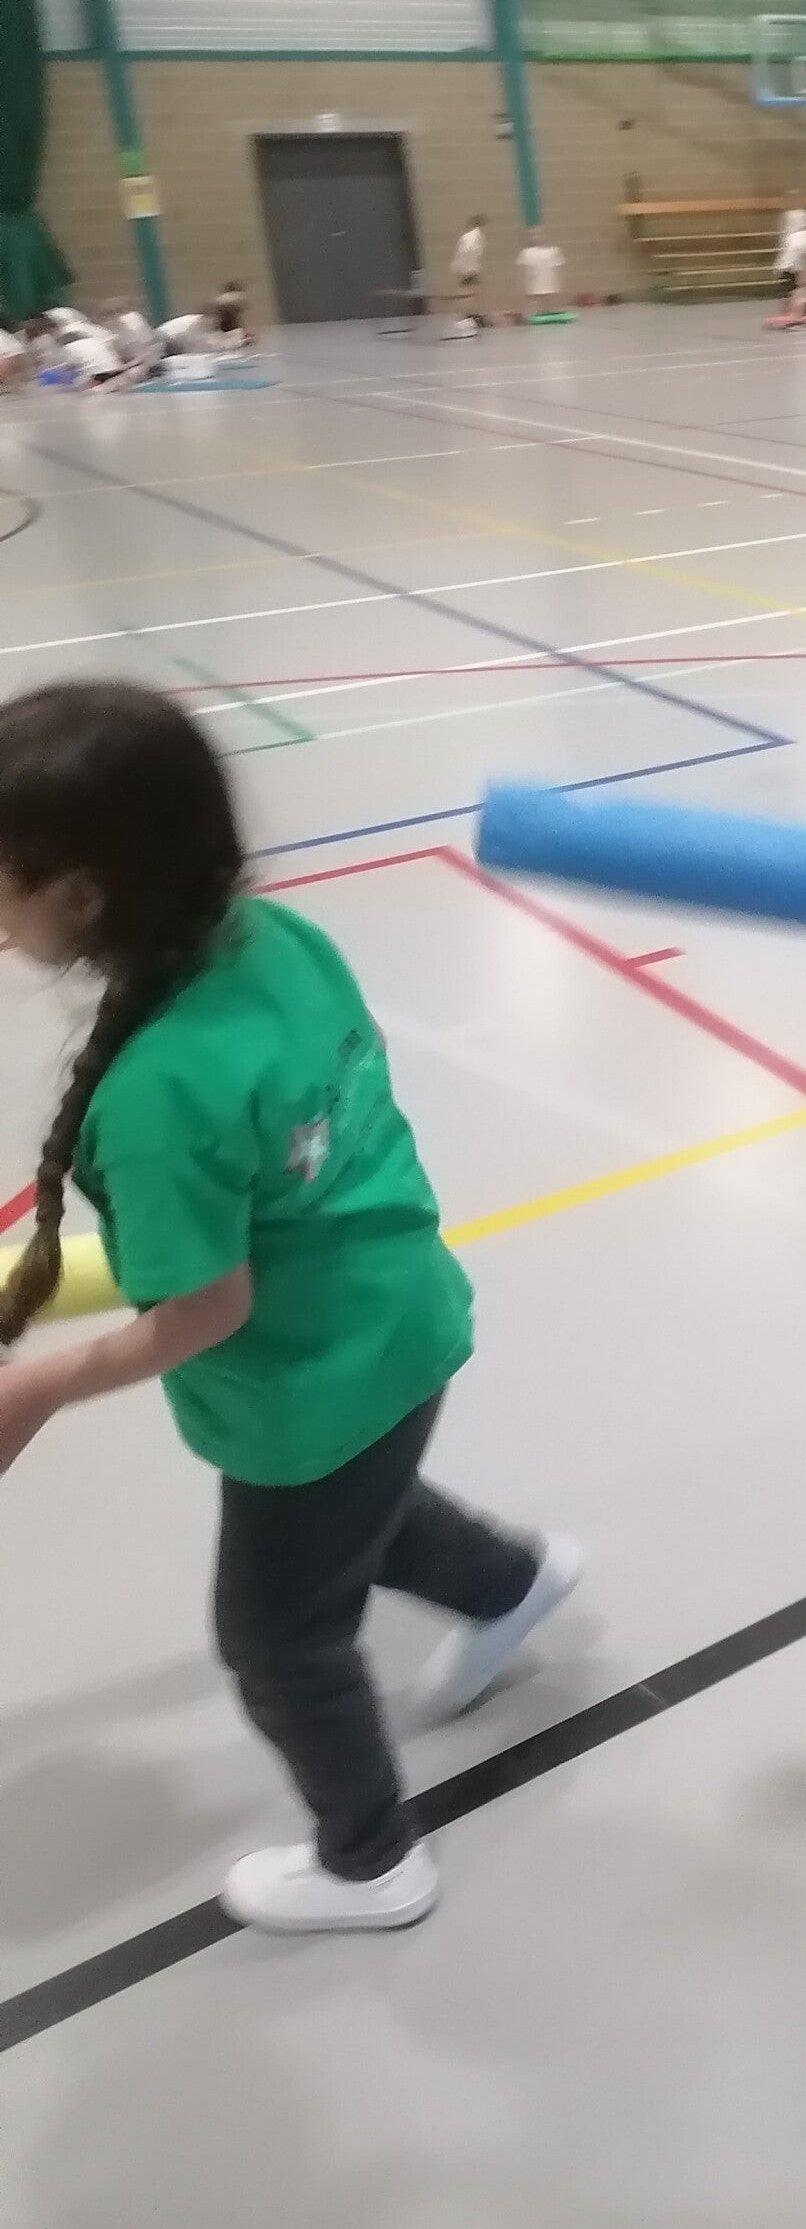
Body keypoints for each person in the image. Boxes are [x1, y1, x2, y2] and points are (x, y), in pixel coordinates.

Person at [0, 685, 581, 1934]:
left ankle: (372, 1858)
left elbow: (206, 1306)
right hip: (397, 1320)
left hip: (311, 1382)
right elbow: (254, 1217)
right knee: (366, 1511)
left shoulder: (157, 1093)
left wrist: (37, 1383)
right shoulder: (271, 938)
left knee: (279, 1637)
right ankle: (516, 1582)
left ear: (82, 896)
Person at [768, 201, 806, 329]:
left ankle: (793, 315)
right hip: (794, 268)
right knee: (800, 291)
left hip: (789, 267)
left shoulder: (793, 236)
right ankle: (795, 316)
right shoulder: (803, 236)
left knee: (795, 292)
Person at [449, 215, 486, 336]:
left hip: (469, 268)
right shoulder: (472, 237)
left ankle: (469, 315)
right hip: (468, 269)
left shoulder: (472, 237)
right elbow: (466, 253)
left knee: (471, 292)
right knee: (467, 292)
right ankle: (463, 316)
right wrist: (467, 270)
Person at [517, 225, 566, 312]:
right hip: (533, 286)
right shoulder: (526, 253)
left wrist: (558, 286)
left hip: (550, 285)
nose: (536, 237)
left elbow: (558, 269)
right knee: (536, 307)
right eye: (533, 235)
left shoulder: (553, 251)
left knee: (550, 306)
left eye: (538, 234)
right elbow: (523, 272)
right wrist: (524, 289)